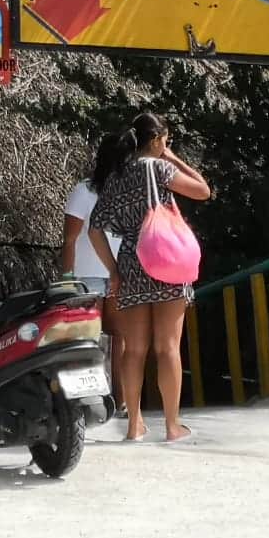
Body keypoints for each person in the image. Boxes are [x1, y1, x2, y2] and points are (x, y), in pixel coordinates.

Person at [88, 113, 211, 443]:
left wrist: (113, 270)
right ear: (157, 140)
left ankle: (134, 425)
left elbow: (94, 228)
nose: (166, 146)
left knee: (134, 350)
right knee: (168, 347)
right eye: (166, 140)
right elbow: (203, 190)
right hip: (166, 259)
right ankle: (172, 426)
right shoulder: (158, 167)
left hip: (131, 262)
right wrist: (171, 157)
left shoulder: (117, 175)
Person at [62, 133, 124, 413]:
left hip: (118, 275)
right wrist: (67, 280)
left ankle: (120, 401)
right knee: (88, 340)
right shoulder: (84, 191)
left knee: (120, 340)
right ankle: (88, 402)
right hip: (87, 278)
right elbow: (70, 239)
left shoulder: (125, 191)